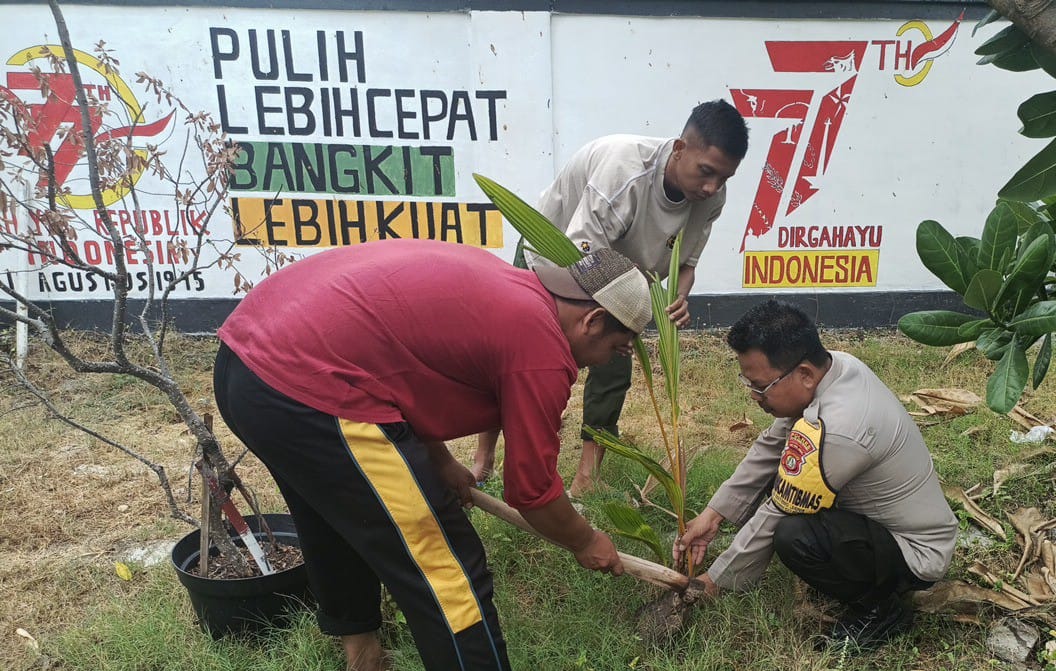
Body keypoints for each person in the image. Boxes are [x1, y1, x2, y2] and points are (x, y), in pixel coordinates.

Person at [213, 238, 652, 671]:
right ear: (593, 321)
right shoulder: (541, 346)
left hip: (248, 364)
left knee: (337, 516)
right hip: (306, 382)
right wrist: (585, 540)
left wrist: (440, 460)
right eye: (614, 349)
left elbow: (398, 366)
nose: (603, 363)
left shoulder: (510, 289)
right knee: (448, 568)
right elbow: (532, 490)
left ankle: (364, 659)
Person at [471, 99, 749, 496]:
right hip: (554, 252)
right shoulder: (625, 172)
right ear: (679, 149)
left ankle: (586, 477)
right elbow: (580, 257)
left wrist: (678, 297)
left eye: (724, 178)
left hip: (619, 273)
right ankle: (484, 458)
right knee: (514, 356)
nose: (712, 188)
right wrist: (614, 317)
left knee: (612, 360)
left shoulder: (710, 199)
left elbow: (684, 264)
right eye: (706, 172)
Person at [674, 300, 958, 651]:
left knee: (795, 535)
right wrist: (712, 515)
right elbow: (772, 445)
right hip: (882, 523)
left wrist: (713, 582)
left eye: (760, 386)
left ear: (804, 374)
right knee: (783, 479)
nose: (753, 395)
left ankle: (881, 610)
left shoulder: (840, 429)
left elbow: (780, 510)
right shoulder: (836, 367)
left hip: (915, 552)